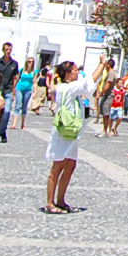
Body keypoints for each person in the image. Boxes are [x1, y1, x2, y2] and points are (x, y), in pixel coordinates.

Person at [42, 60, 91, 214]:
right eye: (75, 70)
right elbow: (87, 84)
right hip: (63, 131)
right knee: (57, 166)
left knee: (70, 165)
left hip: (72, 132)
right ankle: (50, 202)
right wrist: (102, 65)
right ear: (68, 74)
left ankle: (61, 200)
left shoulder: (71, 88)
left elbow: (88, 87)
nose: (78, 72)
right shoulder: (66, 88)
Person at [0, 44, 20, 141]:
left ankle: (1, 131)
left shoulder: (14, 64)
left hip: (8, 90)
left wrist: (14, 89)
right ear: (3, 50)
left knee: (6, 111)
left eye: (10, 49)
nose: (8, 51)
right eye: (6, 49)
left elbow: (15, 77)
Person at [93, 57, 118, 137]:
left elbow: (108, 85)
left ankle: (105, 130)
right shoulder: (108, 73)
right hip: (106, 94)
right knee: (104, 113)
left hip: (108, 95)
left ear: (108, 65)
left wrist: (101, 94)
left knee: (106, 113)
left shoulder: (111, 73)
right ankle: (104, 130)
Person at [14, 61, 36, 129]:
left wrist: (35, 91)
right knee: (17, 106)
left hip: (28, 90)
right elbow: (17, 79)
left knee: (24, 106)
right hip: (19, 89)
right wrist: (14, 88)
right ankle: (14, 124)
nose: (31, 63)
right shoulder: (22, 70)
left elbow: (35, 82)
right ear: (26, 62)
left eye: (32, 62)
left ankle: (23, 124)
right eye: (29, 62)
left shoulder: (34, 72)